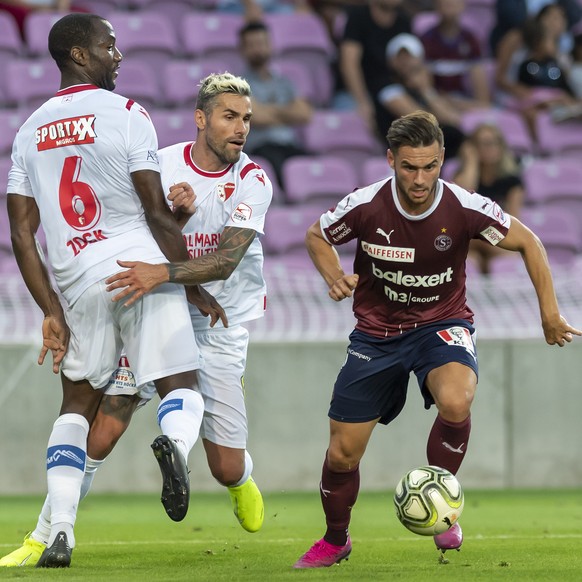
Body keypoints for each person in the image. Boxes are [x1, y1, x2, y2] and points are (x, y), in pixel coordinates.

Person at [0, 71, 272, 567]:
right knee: (102, 429)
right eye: (230, 116)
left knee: (226, 464)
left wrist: (165, 272)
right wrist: (177, 228)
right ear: (201, 118)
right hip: (155, 299)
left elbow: (226, 261)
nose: (240, 129)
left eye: (247, 120)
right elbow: (141, 226)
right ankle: (44, 536)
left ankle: (233, 477)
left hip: (217, 324)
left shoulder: (253, 180)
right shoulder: (160, 162)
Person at [292, 110, 581, 568]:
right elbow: (316, 234)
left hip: (440, 325)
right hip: (376, 334)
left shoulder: (464, 206)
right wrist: (333, 276)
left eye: (429, 166)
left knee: (457, 400)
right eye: (409, 166)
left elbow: (530, 242)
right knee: (343, 452)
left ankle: (440, 505)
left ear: (442, 159)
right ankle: (336, 538)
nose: (420, 177)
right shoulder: (367, 205)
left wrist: (550, 313)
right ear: (390, 159)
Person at [238, 20, 312, 189]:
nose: (258, 49)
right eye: (252, 45)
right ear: (242, 49)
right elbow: (257, 117)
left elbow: (305, 114)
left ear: (270, 45)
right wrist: (287, 113)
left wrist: (267, 109)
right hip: (261, 148)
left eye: (262, 43)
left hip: (290, 145)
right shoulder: (238, 83)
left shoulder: (284, 82)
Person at [379, 33, 467, 159]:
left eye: (409, 56)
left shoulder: (424, 89)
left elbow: (452, 119)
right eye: (400, 57)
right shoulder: (388, 89)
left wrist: (426, 90)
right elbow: (422, 121)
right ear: (391, 61)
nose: (405, 62)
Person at [453, 123, 525, 274]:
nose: (490, 147)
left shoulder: (512, 182)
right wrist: (471, 161)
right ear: (473, 147)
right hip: (469, 236)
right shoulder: (463, 174)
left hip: (496, 235)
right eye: (484, 143)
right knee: (469, 257)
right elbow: (462, 198)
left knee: (507, 256)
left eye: (495, 142)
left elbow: (513, 221)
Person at [339, 0, 411, 138]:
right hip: (358, 90)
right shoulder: (358, 16)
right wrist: (362, 101)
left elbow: (411, 63)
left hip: (390, 90)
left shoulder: (404, 21)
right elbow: (349, 64)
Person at [419, 0, 491, 106]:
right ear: (437, 6)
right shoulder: (427, 40)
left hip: (464, 101)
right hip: (437, 103)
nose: (450, 5)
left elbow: (482, 93)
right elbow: (425, 85)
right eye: (446, 3)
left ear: (463, 5)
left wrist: (479, 105)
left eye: (454, 2)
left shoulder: (471, 39)